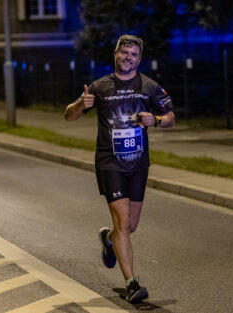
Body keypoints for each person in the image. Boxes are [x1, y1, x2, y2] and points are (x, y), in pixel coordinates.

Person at [64, 34, 174, 304]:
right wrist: (81, 104)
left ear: (139, 58)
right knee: (123, 222)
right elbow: (69, 114)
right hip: (109, 163)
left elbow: (171, 117)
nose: (128, 58)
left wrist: (156, 119)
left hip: (138, 164)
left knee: (130, 226)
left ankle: (110, 240)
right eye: (124, 53)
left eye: (134, 54)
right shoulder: (99, 87)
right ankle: (132, 284)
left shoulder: (149, 86)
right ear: (115, 54)